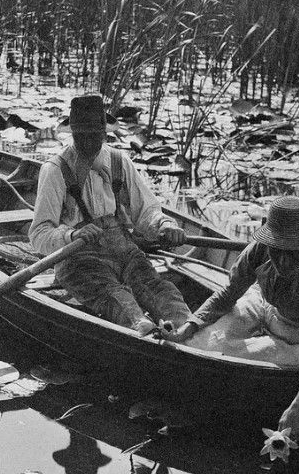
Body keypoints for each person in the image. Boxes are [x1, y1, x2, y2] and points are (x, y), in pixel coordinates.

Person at [162, 196, 299, 443]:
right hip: (266, 307)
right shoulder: (260, 249)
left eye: (293, 254)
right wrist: (189, 326)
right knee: (202, 341)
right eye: (277, 250)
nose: (283, 262)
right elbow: (229, 293)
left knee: (242, 356)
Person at [29, 94, 192, 335]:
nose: (88, 142)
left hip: (124, 249)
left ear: (105, 131)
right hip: (79, 257)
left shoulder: (119, 161)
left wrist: (164, 225)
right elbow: (39, 234)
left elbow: (146, 210)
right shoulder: (55, 170)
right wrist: (72, 235)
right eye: (80, 135)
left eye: (94, 134)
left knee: (159, 289)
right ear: (72, 132)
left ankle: (189, 329)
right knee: (116, 298)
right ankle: (143, 332)